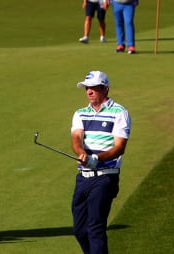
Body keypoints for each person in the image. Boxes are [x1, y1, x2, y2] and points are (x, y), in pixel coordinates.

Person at [70, 70, 130, 254]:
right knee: (80, 230)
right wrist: (82, 154)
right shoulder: (80, 113)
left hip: (105, 177)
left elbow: (119, 147)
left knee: (95, 228)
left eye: (94, 87)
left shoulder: (119, 112)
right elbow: (76, 139)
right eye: (87, 88)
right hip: (83, 178)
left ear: (105, 89)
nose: (89, 91)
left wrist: (96, 159)